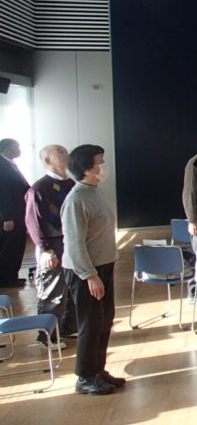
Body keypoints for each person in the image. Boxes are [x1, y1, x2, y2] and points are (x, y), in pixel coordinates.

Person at [62, 144, 124, 396]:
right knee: (91, 322)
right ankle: (85, 377)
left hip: (102, 265)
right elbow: (74, 242)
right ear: (86, 167)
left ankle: (98, 370)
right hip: (86, 270)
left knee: (104, 320)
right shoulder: (76, 198)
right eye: (100, 161)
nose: (103, 165)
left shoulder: (93, 191)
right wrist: (90, 275)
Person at [25, 144, 77, 346]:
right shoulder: (39, 188)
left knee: (72, 286)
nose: (66, 154)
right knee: (53, 289)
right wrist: (45, 249)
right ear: (47, 160)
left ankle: (68, 327)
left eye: (66, 151)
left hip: (71, 240)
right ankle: (47, 336)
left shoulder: (71, 183)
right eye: (60, 152)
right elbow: (33, 222)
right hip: (52, 243)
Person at [0, 138, 30, 288]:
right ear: (7, 150)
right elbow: (3, 194)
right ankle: (5, 279)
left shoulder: (9, 164)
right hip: (10, 216)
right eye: (16, 147)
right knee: (9, 247)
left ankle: (12, 275)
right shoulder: (2, 165)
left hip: (18, 213)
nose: (20, 150)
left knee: (16, 246)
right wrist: (8, 217)